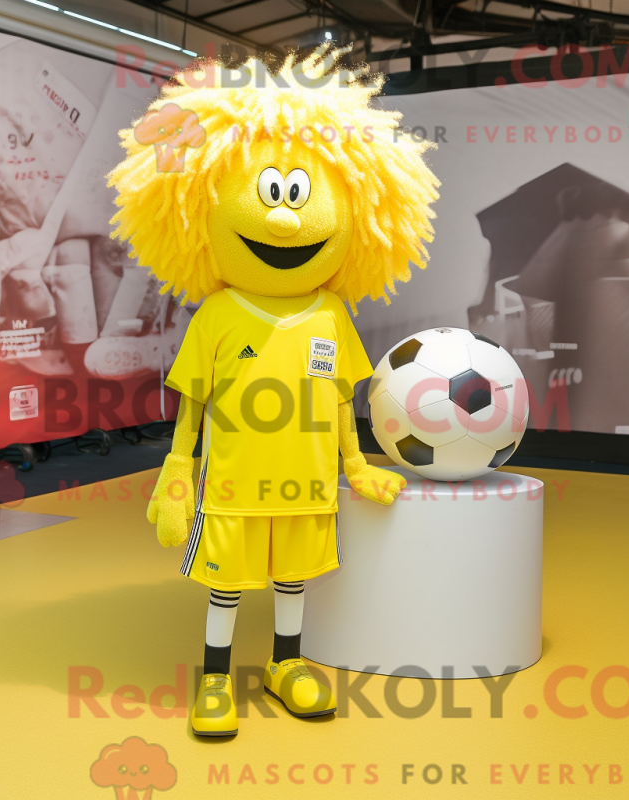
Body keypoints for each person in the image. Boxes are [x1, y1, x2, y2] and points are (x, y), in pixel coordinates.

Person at [109, 44, 440, 737]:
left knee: (294, 581)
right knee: (226, 588)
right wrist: (178, 468)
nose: (286, 219)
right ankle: (215, 677)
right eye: (269, 193)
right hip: (230, 490)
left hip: (307, 489)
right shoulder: (218, 315)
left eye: (301, 194)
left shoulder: (330, 314)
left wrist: (356, 465)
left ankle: (286, 665)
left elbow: (339, 398)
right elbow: (195, 401)